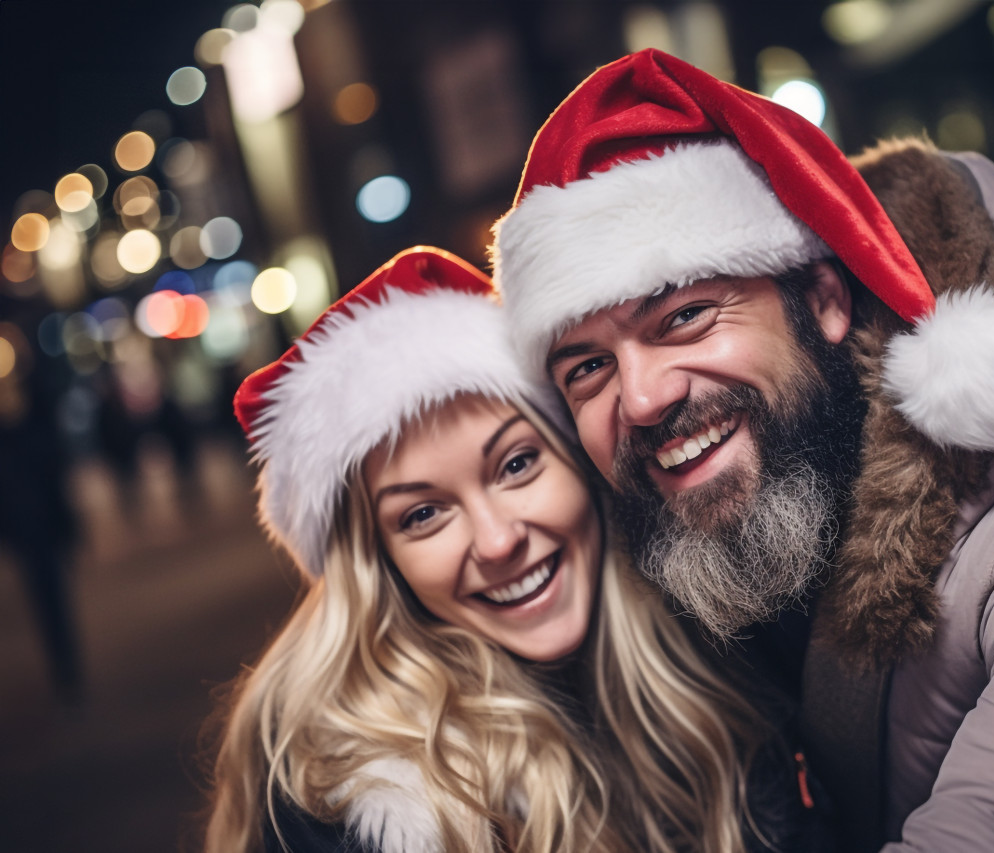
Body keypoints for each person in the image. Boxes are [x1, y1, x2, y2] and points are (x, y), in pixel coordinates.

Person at [489, 49, 994, 852]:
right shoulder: (746, 523)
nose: (642, 397)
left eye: (685, 317)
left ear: (825, 300)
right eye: (587, 368)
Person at [203, 246, 803, 853]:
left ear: (578, 461)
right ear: (380, 564)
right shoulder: (341, 804)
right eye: (423, 515)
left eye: (516, 465)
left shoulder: (724, 636)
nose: (497, 540)